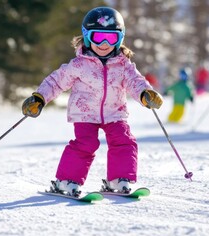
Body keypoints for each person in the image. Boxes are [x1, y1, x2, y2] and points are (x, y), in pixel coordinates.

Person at [22, 7, 163, 196]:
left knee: (124, 141)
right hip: (85, 113)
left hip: (114, 113)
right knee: (85, 144)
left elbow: (135, 82)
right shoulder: (79, 65)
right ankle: (66, 181)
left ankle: (118, 179)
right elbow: (56, 81)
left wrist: (146, 94)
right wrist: (39, 98)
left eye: (111, 38)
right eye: (98, 37)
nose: (104, 43)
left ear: (120, 39)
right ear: (87, 36)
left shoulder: (124, 65)